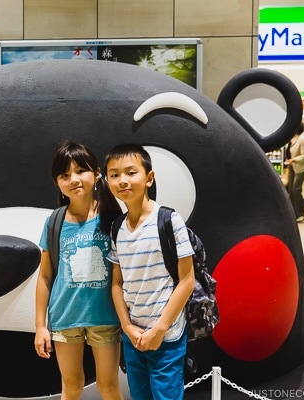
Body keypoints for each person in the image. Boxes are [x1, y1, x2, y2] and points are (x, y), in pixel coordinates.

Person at [104, 143, 195, 400]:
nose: (122, 180)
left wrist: (159, 330)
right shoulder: (117, 228)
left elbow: (187, 280)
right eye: (114, 174)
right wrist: (126, 327)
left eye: (131, 172)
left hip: (167, 335)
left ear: (149, 178)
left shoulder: (169, 221)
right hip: (133, 336)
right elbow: (116, 284)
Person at [34, 140, 124, 400]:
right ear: (57, 183)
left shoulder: (111, 218)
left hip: (105, 317)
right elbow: (45, 276)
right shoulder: (54, 222)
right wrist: (40, 326)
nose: (73, 179)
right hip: (65, 317)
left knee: (109, 386)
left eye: (80, 171)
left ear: (96, 174)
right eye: (64, 175)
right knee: (71, 385)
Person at [285, 122, 304, 222]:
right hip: (292, 167)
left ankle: (301, 214)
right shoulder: (292, 138)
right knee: (290, 190)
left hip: (300, 168)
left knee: (296, 189)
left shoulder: (302, 139)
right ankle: (293, 214)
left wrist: (294, 159)